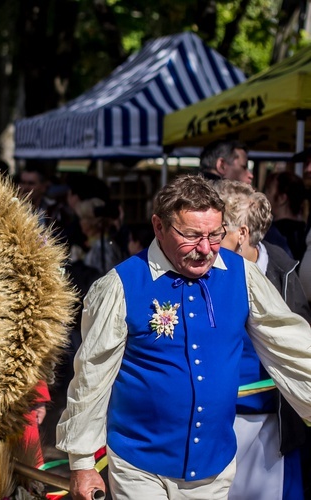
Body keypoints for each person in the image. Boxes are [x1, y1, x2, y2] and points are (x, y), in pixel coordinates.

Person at [56, 175, 311, 500]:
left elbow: (291, 347)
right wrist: (82, 462)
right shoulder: (120, 285)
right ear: (158, 226)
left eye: (215, 234)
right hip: (139, 467)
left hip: (214, 468)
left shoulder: (243, 277)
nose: (205, 248)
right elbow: (91, 378)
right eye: (191, 235)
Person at [213, 179, 309, 500]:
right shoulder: (202, 271)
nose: (206, 241)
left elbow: (298, 347)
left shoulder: (282, 271)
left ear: (241, 234)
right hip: (217, 419)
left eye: (217, 230)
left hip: (273, 424)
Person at [264, 171, 307, 261]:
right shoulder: (306, 233)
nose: (265, 196)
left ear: (282, 198)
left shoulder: (268, 234)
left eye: (269, 191)